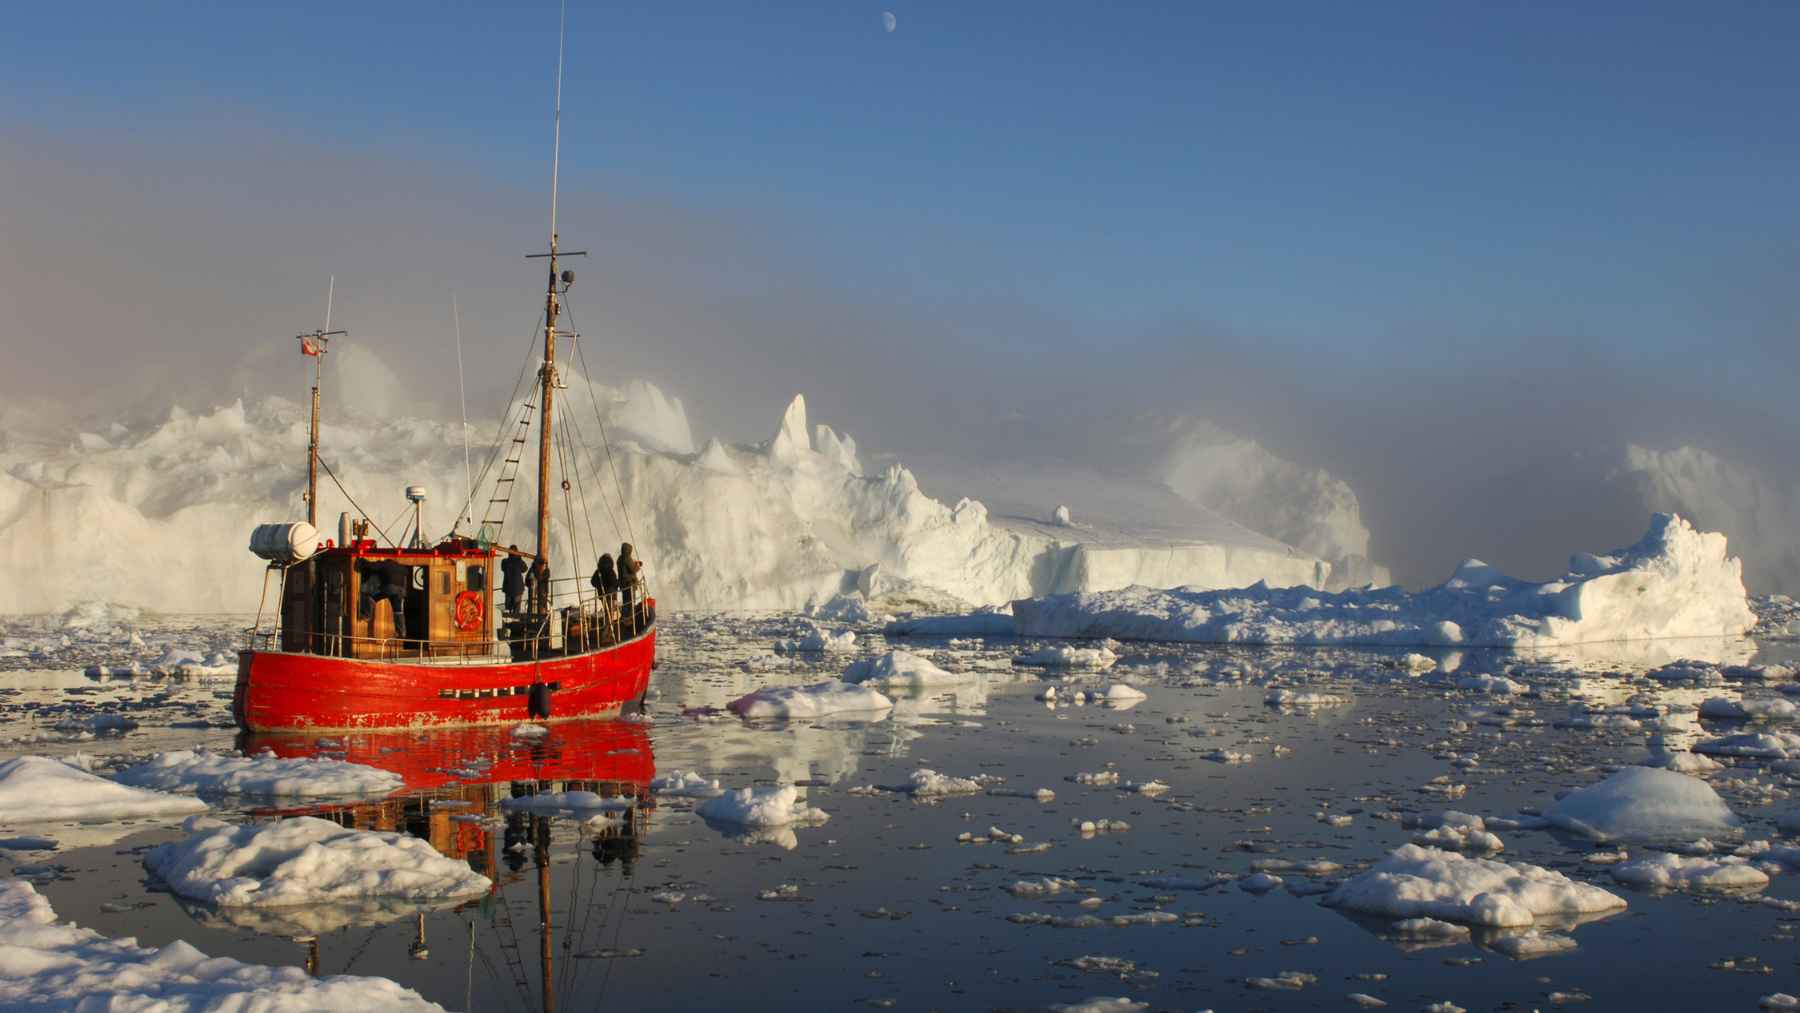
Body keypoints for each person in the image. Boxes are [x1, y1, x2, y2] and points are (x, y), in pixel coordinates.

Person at [617, 542, 641, 634]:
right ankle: (629, 620)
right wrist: (638, 565)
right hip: (629, 584)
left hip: (623, 584)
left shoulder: (620, 559)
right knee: (631, 601)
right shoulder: (627, 559)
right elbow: (633, 569)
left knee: (625, 601)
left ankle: (624, 618)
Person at [500, 546, 527, 615]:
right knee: (516, 609)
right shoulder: (518, 561)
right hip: (518, 588)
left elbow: (503, 568)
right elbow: (525, 569)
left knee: (508, 608)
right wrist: (519, 557)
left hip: (508, 588)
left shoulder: (505, 561)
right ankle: (515, 621)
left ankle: (507, 622)